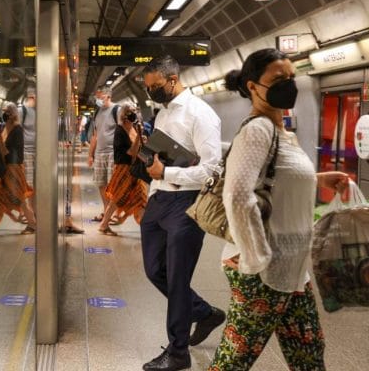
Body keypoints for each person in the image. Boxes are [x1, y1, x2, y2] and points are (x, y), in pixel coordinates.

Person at [209, 48, 349, 371]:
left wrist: (319, 179)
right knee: (234, 360)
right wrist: (258, 257)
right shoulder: (258, 130)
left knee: (310, 355)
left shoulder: (282, 132)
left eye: (290, 77)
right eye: (277, 79)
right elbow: (237, 195)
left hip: (293, 271)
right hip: (264, 270)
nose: (288, 84)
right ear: (253, 87)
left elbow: (277, 181)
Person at [140, 55, 225, 371]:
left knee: (177, 279)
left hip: (186, 204)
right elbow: (157, 160)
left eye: (155, 86)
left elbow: (212, 171)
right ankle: (204, 312)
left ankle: (178, 353)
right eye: (148, 87)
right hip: (158, 202)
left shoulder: (201, 114)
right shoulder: (162, 113)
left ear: (172, 78)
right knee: (154, 270)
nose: (151, 92)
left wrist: (168, 174)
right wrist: (152, 171)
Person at [21, 87, 84, 234]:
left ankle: (51, 218)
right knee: (30, 187)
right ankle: (33, 220)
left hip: (43, 152)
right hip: (27, 153)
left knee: (45, 186)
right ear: (33, 97)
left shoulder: (43, 112)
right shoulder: (22, 111)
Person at [0, 103, 36, 238]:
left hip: (13, 169)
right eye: (4, 111)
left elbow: (15, 154)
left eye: (8, 112)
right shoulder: (3, 128)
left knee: (19, 199)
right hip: (2, 169)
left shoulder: (17, 130)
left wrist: (2, 146)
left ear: (14, 114)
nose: (5, 114)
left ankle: (32, 224)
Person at [97, 104, 148, 236]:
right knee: (118, 197)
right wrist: (138, 138)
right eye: (131, 112)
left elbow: (139, 150)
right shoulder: (120, 131)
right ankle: (104, 224)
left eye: (135, 112)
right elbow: (131, 152)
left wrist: (142, 139)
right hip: (124, 169)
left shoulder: (134, 129)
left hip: (135, 170)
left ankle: (147, 230)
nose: (134, 115)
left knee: (141, 198)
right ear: (124, 115)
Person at [88, 85, 118, 223]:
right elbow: (95, 135)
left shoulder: (117, 110)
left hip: (113, 152)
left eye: (100, 96)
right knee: (101, 183)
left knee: (113, 184)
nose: (98, 99)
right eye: (97, 97)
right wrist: (90, 154)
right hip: (100, 152)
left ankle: (113, 214)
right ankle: (106, 211)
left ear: (108, 96)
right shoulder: (97, 112)